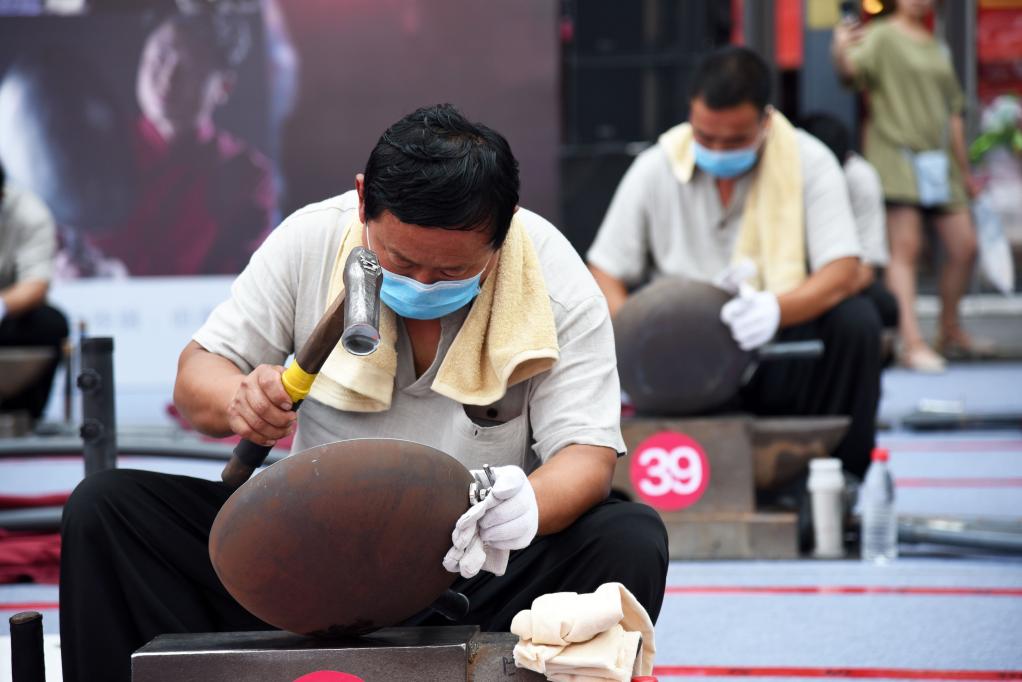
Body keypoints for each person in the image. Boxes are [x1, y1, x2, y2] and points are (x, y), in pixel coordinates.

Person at [59, 104, 669, 682]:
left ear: (505, 226)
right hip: (305, 557)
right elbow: (197, 375)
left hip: (472, 563)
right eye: (399, 261)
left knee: (628, 537)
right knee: (107, 510)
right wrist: (240, 397)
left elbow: (587, 456)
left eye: (452, 271)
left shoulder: (556, 282)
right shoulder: (309, 241)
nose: (422, 283)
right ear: (361, 201)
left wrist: (523, 507)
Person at [587, 46, 881, 478]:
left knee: (857, 320)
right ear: (691, 113)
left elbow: (842, 270)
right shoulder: (655, 166)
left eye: (735, 140)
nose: (719, 150)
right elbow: (605, 270)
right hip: (681, 350)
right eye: (706, 138)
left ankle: (837, 477)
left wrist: (776, 309)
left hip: (779, 343)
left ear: (766, 121)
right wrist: (637, 329)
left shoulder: (810, 161)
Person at [831, 0, 986, 372]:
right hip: (897, 153)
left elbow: (953, 113)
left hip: (940, 161)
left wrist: (965, 169)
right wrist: (838, 47)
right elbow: (850, 72)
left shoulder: (936, 43)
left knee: (964, 246)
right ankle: (911, 342)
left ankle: (950, 330)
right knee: (906, 249)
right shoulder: (882, 35)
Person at [86, 10, 275, 276]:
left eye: (190, 67)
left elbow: (242, 280)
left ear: (224, 87)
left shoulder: (245, 175)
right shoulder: (94, 153)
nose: (168, 77)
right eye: (161, 57)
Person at [801, 112, 898, 330]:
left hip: (838, 280)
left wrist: (822, 291)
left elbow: (867, 267)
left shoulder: (860, 177)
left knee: (872, 311)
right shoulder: (790, 172)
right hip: (789, 281)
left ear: (847, 160)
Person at [0, 162, 69, 421]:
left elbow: (35, 284)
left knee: (49, 323)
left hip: (5, 315)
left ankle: (22, 416)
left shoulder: (29, 213)